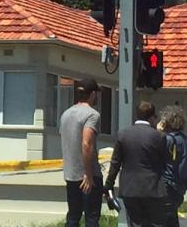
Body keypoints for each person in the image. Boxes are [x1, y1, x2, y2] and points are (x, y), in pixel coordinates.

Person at [104, 101, 169, 227]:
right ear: (151, 117)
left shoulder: (123, 135)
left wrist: (108, 185)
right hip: (153, 188)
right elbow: (165, 161)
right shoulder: (158, 136)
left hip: (130, 188)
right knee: (156, 223)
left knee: (135, 223)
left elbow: (115, 163)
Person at [60, 77, 103, 227]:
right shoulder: (92, 114)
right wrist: (89, 174)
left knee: (73, 217)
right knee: (91, 219)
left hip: (70, 175)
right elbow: (86, 143)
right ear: (92, 94)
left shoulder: (65, 114)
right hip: (88, 176)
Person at [159, 105, 187, 227]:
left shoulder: (168, 139)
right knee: (172, 218)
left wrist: (158, 131)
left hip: (167, 185)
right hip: (180, 186)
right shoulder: (185, 140)